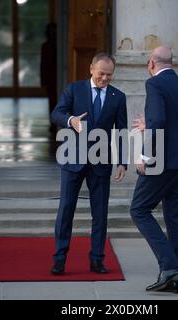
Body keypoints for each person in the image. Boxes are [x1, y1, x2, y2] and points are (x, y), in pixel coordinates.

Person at [50, 53, 128, 275]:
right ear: (91, 68)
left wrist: (122, 161)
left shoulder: (118, 97)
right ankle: (59, 259)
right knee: (66, 210)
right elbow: (56, 113)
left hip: (101, 162)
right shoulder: (74, 90)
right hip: (73, 159)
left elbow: (121, 131)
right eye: (101, 73)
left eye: (109, 75)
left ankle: (97, 260)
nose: (105, 78)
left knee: (100, 213)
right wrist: (70, 121)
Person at [130, 46, 178, 293]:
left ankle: (170, 269)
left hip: (163, 161)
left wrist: (145, 156)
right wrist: (151, 122)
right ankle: (174, 279)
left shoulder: (154, 85)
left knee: (139, 209)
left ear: (151, 63)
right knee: (174, 219)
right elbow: (177, 122)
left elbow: (159, 121)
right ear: (173, 63)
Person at [40, 22, 58, 135]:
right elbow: (42, 64)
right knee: (52, 101)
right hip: (50, 76)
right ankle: (53, 122)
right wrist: (43, 79)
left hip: (55, 75)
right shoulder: (45, 46)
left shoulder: (60, 45)